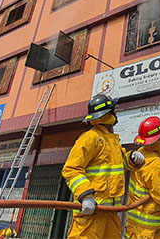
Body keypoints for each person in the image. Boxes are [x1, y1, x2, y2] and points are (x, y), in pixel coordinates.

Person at [61, 94, 146, 239]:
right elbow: (71, 169)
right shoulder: (90, 138)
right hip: (92, 213)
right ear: (110, 114)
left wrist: (131, 158)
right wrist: (86, 195)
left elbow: (118, 166)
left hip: (110, 212)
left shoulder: (111, 141)